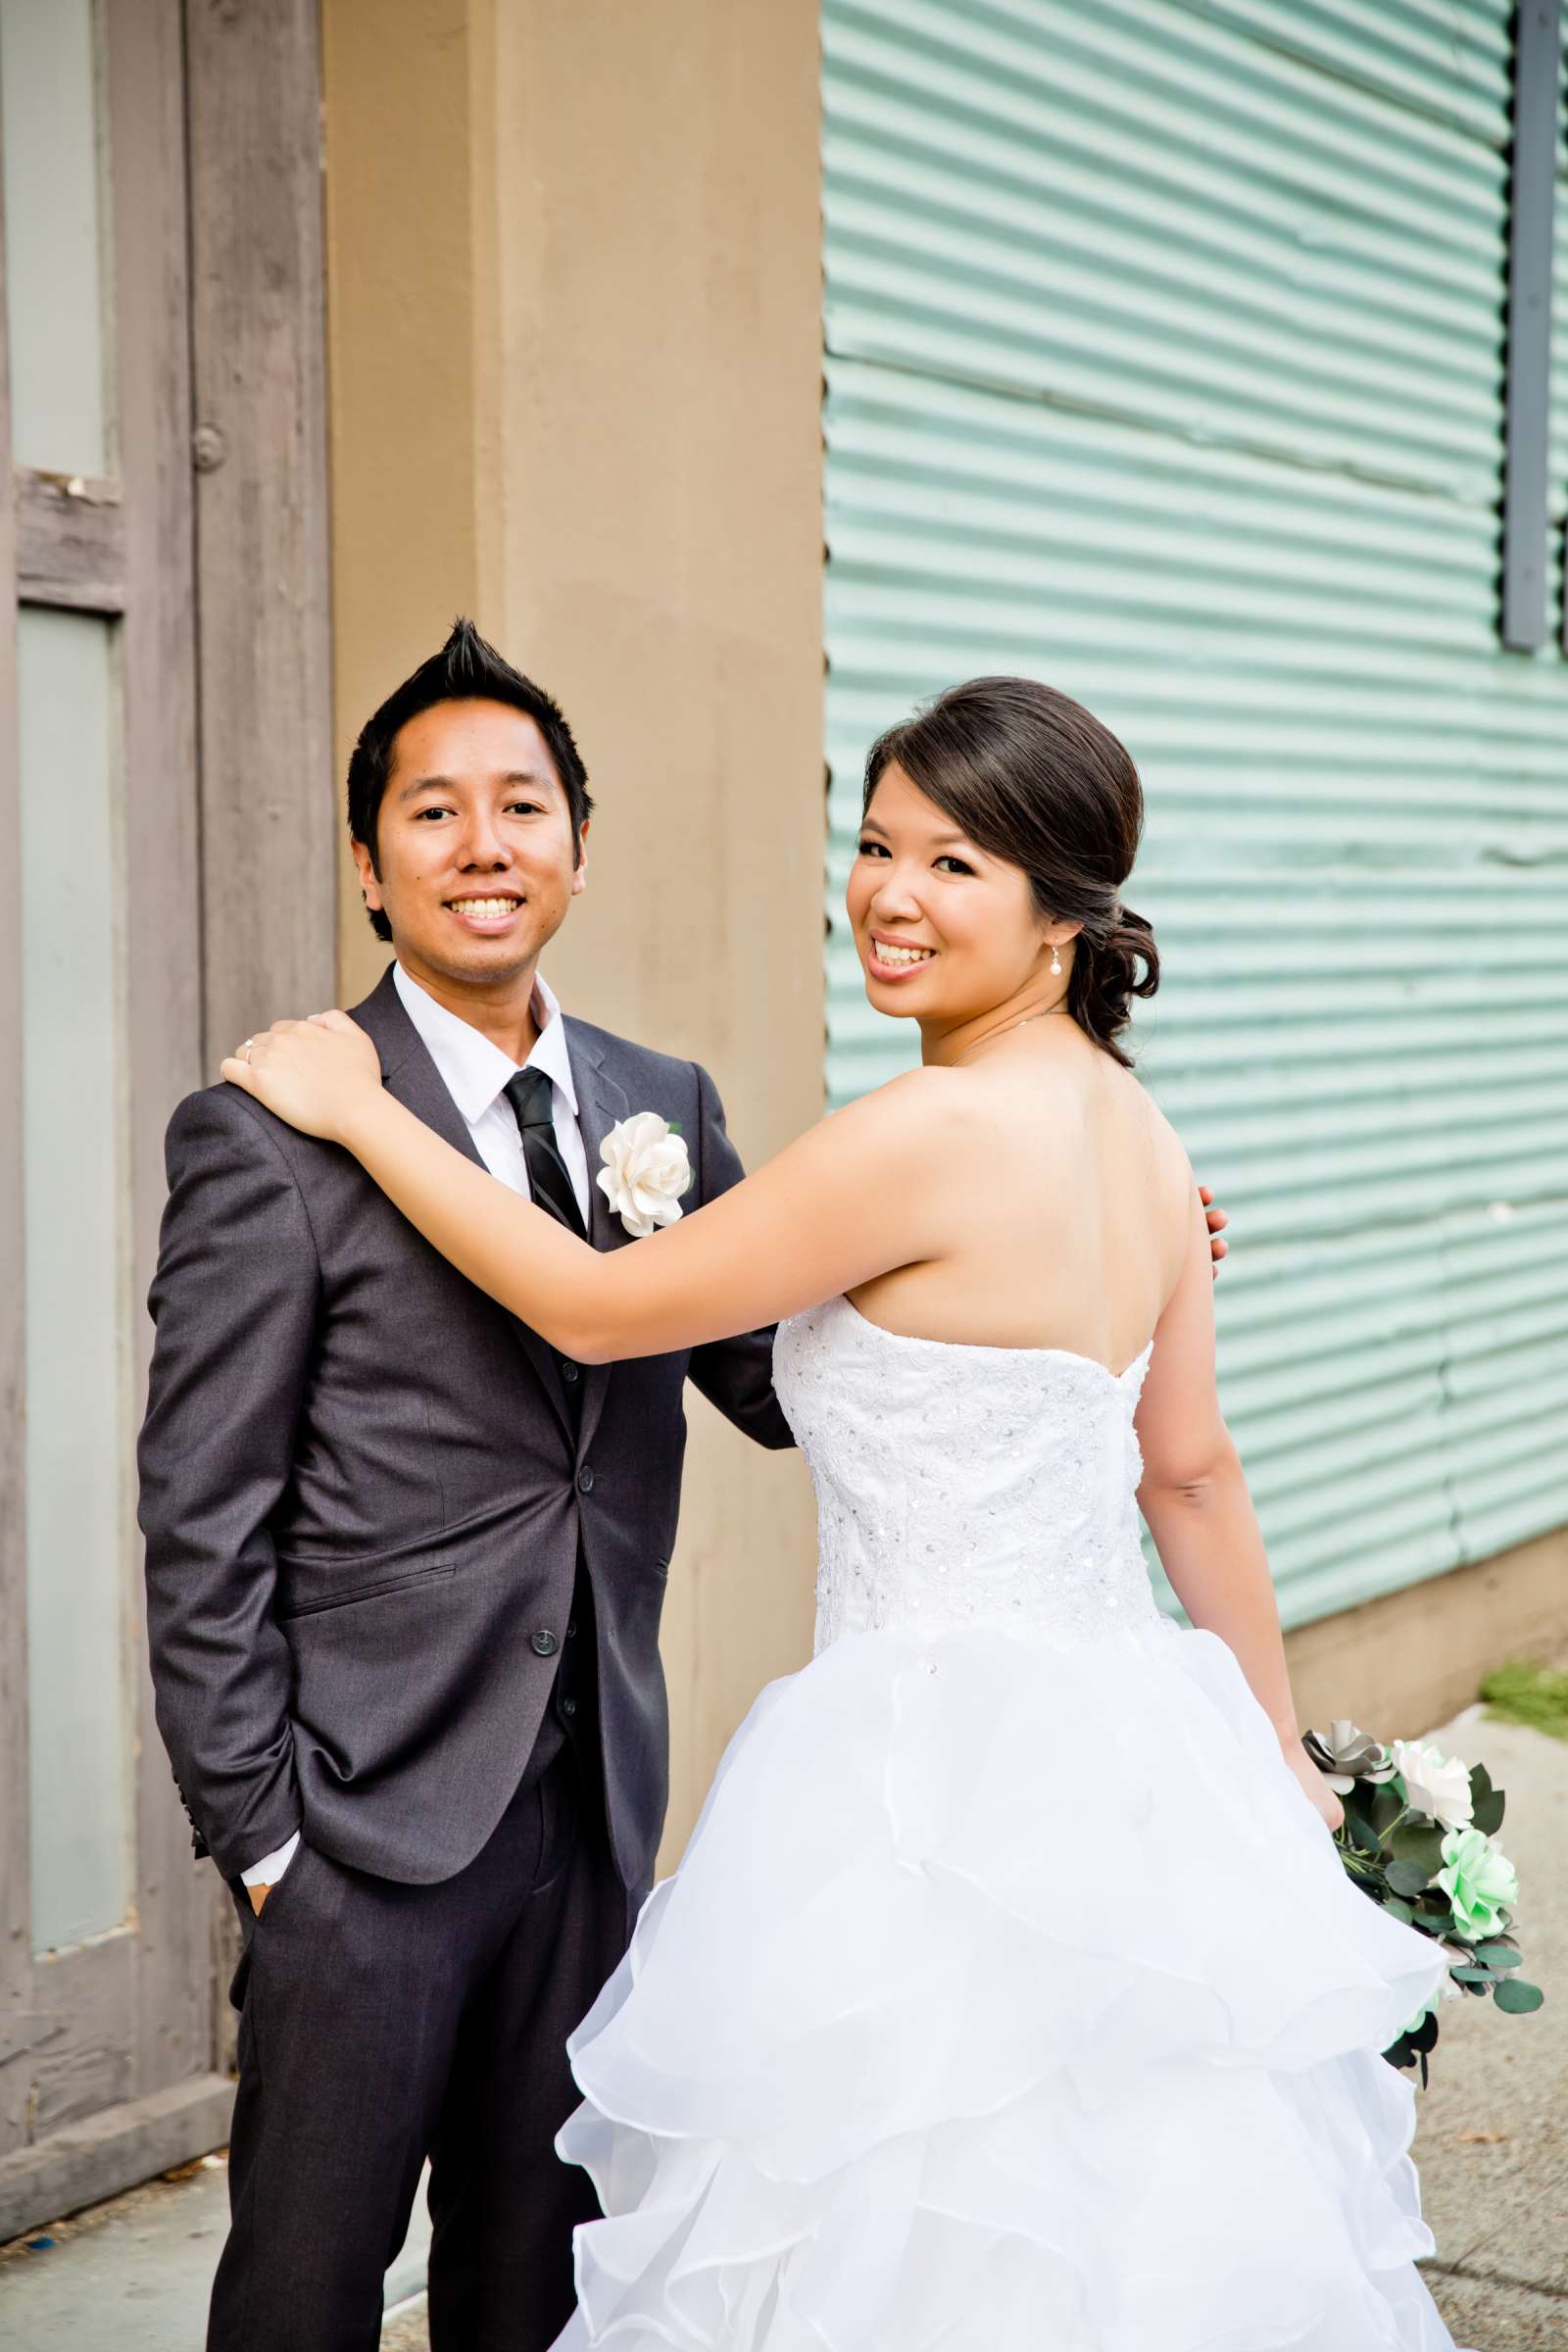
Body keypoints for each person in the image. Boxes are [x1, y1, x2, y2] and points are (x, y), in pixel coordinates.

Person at [226, 676, 1454, 2352]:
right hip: (1118, 1759)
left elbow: (601, 1311)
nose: (889, 894)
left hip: (918, 1782)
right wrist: (1280, 1755)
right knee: (1115, 2214)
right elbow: (1189, 1477)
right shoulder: (1149, 1143)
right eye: (876, 846)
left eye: (956, 864)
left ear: (1061, 914)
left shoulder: (919, 1135)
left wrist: (363, 1107)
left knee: (898, 2216)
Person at [138, 620, 799, 2352]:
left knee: (543, 2281)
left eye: (523, 805)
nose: (483, 845)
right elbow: (200, 1519)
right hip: (362, 1833)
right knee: (304, 2291)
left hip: (593, 1817)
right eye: (433, 813)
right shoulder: (273, 1128)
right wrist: (267, 1842)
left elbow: (779, 1381)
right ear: (371, 864)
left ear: (579, 841)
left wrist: (1047, 1269)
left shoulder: (664, 1106)